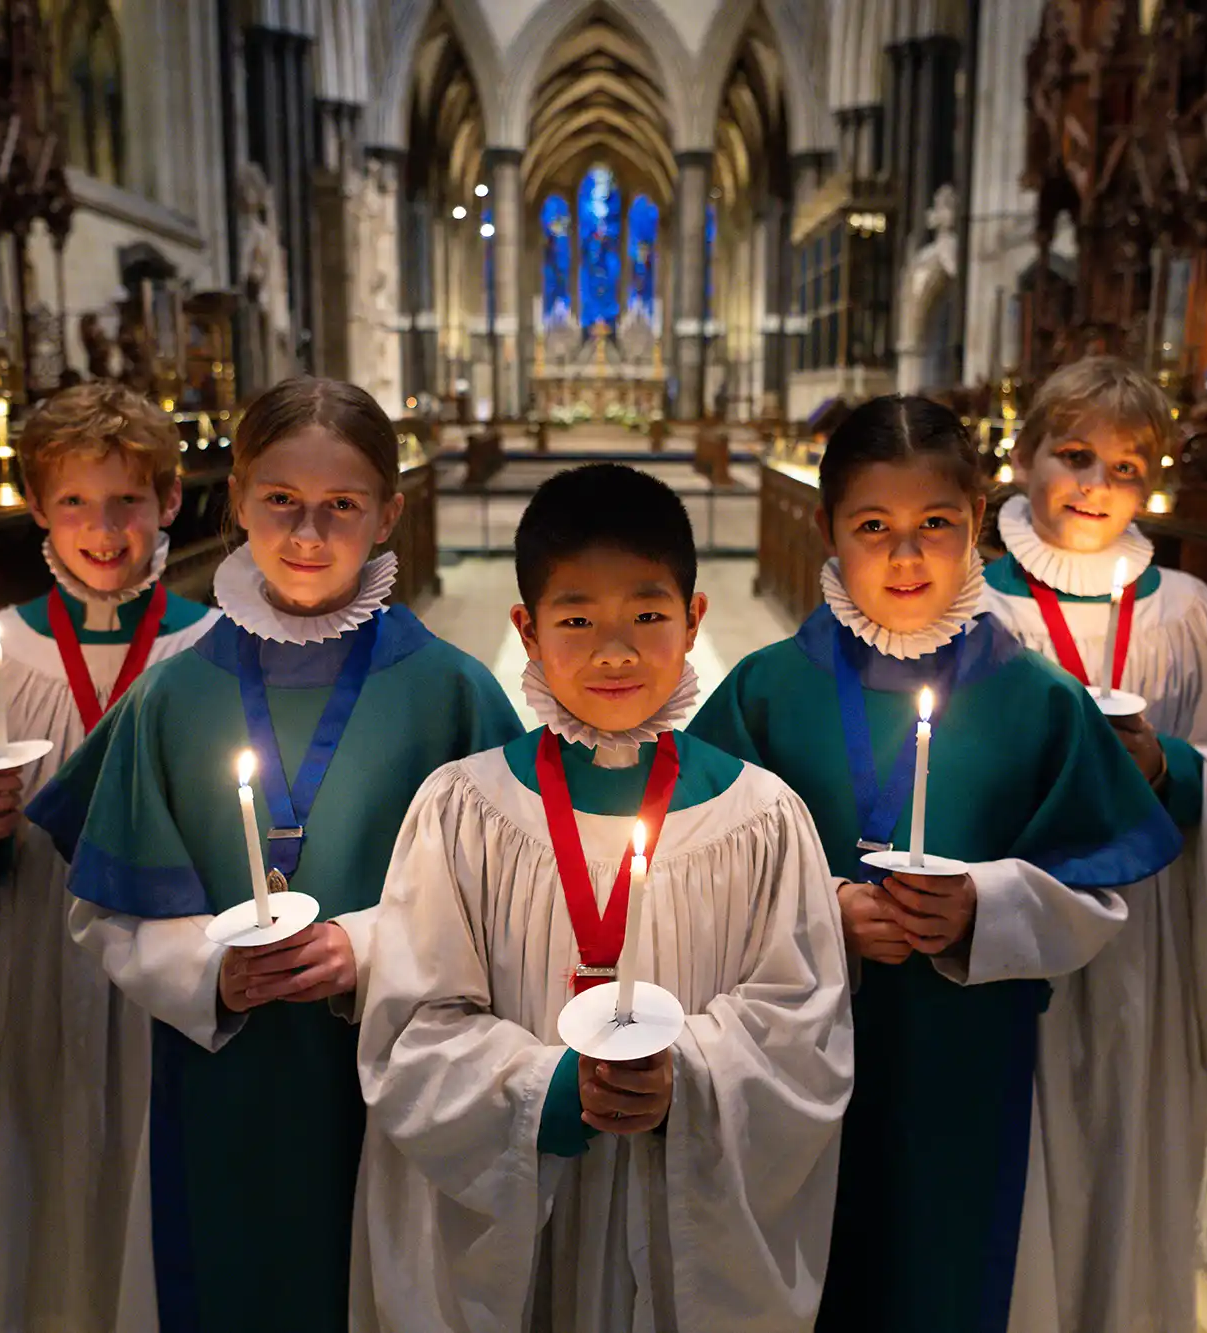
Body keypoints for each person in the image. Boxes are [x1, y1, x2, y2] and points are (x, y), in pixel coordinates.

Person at [25, 377, 520, 1332]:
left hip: (395, 1070)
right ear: (236, 499)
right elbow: (107, 906)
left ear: (390, 514)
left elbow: (509, 897)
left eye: (342, 505)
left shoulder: (452, 692)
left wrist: (365, 948)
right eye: (280, 502)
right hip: (228, 1073)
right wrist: (208, 969)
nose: (307, 534)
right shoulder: (175, 694)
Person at [689, 394, 1183, 1331]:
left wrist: (983, 907)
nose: (906, 556)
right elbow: (695, 866)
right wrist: (822, 905)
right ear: (826, 527)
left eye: (935, 526)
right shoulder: (766, 689)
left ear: (976, 526)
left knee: (943, 1278)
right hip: (788, 1054)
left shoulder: (1039, 700)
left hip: (964, 1054)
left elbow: (1097, 887)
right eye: (873, 526)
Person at [352, 463, 852, 1332]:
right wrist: (542, 1090)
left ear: (695, 621)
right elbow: (409, 1024)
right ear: (528, 629)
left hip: (679, 1210)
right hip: (526, 1202)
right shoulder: (463, 810)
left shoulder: (762, 817)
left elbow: (803, 1027)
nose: (615, 651)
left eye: (648, 616)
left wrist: (685, 1075)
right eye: (577, 618)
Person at [0, 381, 219, 1332]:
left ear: (172, 501)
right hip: (37, 970)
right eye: (74, 503)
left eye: (127, 503)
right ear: (36, 507)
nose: (103, 531)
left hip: (169, 981)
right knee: (54, 1177)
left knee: (165, 1190)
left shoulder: (215, 649)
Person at [979, 355, 1207, 1333]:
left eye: (1127, 465)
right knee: (1017, 1144)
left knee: (1126, 1129)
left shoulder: (1182, 608)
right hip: (1013, 908)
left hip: (1142, 926)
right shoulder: (974, 603)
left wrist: (1170, 769)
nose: (1096, 486)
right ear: (1021, 456)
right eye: (1072, 455)